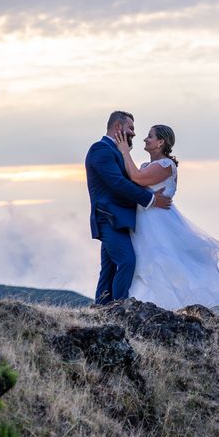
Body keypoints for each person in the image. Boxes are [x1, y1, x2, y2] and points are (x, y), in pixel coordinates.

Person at [113, 124, 219, 310]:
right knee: (145, 265)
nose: (145, 139)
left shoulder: (166, 165)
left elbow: (138, 179)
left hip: (161, 225)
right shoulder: (146, 165)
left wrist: (125, 152)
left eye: (150, 136)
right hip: (145, 224)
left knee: (166, 263)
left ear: (160, 142)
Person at [85, 111, 172, 305]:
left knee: (108, 270)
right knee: (127, 261)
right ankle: (120, 309)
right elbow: (116, 183)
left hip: (120, 219)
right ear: (118, 127)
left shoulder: (114, 151)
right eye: (131, 128)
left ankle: (101, 311)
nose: (134, 133)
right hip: (109, 218)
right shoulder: (100, 150)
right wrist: (150, 199)